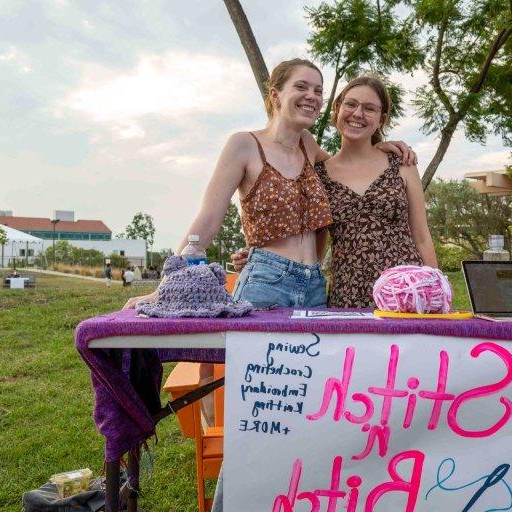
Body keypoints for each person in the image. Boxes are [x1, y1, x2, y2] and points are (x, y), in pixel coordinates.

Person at [121, 58, 414, 512]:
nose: (312, 96)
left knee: (307, 420)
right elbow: (209, 217)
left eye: (318, 90)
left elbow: (353, 161)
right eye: (302, 87)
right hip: (265, 288)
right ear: (274, 93)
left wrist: (388, 144)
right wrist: (174, 278)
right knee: (256, 422)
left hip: (317, 291)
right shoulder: (244, 145)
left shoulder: (312, 149)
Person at [233, 75, 437, 307]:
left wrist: (436, 292)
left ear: (381, 119)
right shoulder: (318, 173)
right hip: (348, 294)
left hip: (406, 292)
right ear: (337, 110)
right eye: (350, 104)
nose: (358, 113)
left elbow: (422, 237)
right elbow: (310, 240)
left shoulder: (401, 163)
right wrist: (258, 259)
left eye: (369, 108)